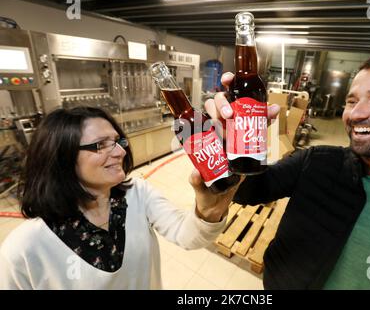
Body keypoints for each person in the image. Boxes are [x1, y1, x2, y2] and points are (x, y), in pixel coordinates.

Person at [205, 52, 370, 289]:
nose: (356, 114)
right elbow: (247, 192)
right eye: (351, 101)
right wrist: (230, 146)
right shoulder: (316, 162)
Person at [0, 106, 241, 289]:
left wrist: (208, 212)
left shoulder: (136, 193)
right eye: (100, 145)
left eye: (117, 141)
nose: (120, 151)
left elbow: (187, 236)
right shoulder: (25, 247)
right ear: (61, 158)